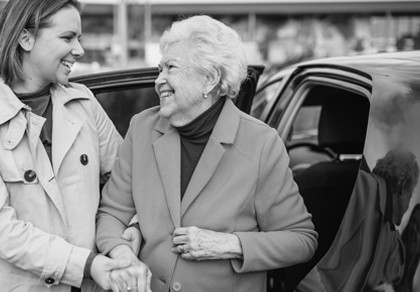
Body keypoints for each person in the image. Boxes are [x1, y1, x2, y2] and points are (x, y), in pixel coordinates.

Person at [95, 15, 318, 292]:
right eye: (159, 69)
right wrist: (122, 253)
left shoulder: (261, 143)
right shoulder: (142, 128)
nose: (158, 81)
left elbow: (301, 240)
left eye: (171, 68)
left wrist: (231, 245)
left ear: (210, 79)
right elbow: (112, 213)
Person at [0, 0, 137, 292]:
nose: (80, 50)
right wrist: (85, 264)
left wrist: (129, 233)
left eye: (80, 38)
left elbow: (126, 183)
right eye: (67, 37)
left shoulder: (84, 103)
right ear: (25, 38)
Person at [312, 147, 419, 292]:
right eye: (410, 195)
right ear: (402, 188)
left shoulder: (389, 230)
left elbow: (397, 273)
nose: (408, 207)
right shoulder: (360, 186)